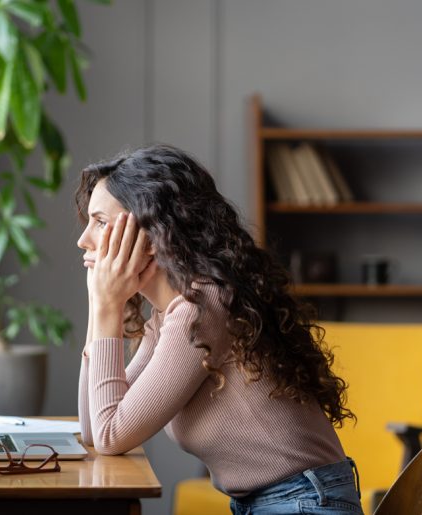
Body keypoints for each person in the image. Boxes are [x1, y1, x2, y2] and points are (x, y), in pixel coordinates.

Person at [75, 144, 363, 515]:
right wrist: (100, 307)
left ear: (150, 231)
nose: (83, 239)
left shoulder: (203, 306)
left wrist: (107, 306)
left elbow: (111, 434)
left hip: (305, 503)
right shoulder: (168, 316)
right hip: (279, 502)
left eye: (99, 222)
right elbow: (94, 429)